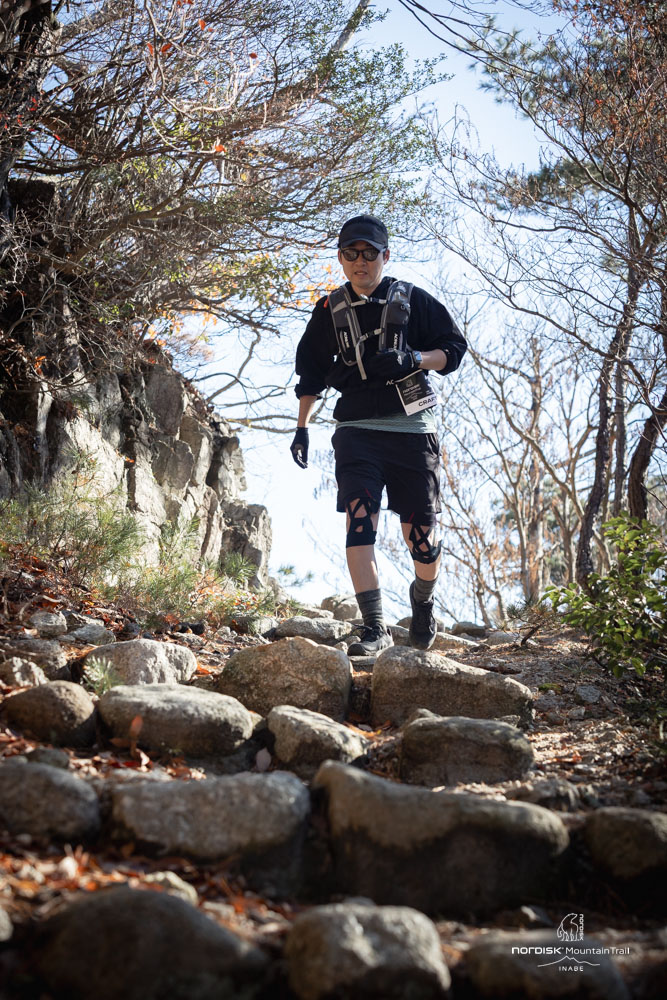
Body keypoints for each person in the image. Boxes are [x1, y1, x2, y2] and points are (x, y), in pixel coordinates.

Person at [290, 214, 467, 655]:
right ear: (340, 258)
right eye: (351, 253)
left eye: (369, 253)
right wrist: (302, 428)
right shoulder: (329, 310)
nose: (360, 262)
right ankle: (375, 628)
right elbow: (310, 373)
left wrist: (414, 359)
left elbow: (453, 350)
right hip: (356, 431)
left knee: (421, 538)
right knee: (359, 521)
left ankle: (423, 601)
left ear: (385, 255)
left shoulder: (412, 300)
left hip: (412, 430)